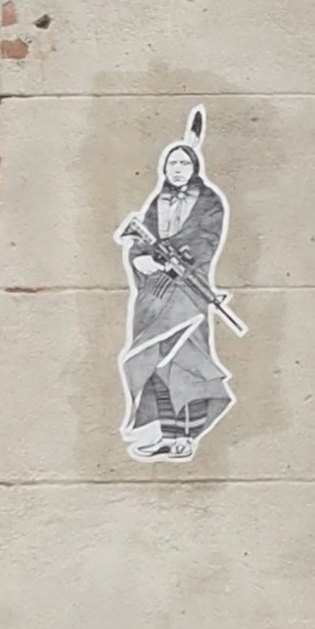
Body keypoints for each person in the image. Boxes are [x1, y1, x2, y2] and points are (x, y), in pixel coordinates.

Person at [113, 116, 243, 465]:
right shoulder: (158, 200)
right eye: (173, 163)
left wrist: (170, 252)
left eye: (185, 163)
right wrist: (142, 258)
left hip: (188, 294)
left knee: (188, 365)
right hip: (155, 297)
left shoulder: (210, 201)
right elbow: (143, 240)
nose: (178, 169)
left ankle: (185, 436)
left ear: (195, 166)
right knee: (154, 363)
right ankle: (165, 435)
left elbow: (205, 241)